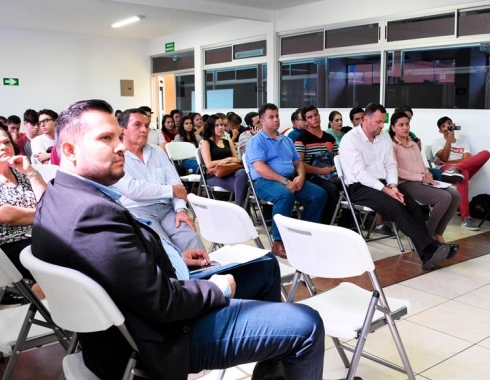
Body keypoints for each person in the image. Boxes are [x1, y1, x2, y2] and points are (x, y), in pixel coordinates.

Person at [31, 99, 325, 380]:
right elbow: (161, 302)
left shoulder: (58, 196)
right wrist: (216, 288)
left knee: (264, 267)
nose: (121, 147)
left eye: (118, 137)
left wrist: (173, 257)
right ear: (69, 150)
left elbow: (120, 267)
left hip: (146, 308)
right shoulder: (91, 213)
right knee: (307, 323)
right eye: (106, 139)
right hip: (161, 335)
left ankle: (271, 373)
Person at [339, 103, 458, 270]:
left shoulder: (383, 137)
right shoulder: (351, 139)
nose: (382, 126)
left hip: (383, 183)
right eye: (378, 122)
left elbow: (390, 165)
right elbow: (360, 173)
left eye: (383, 122)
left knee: (413, 206)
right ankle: (431, 247)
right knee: (396, 206)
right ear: (366, 120)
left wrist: (393, 186)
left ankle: (428, 253)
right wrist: (388, 191)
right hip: (359, 187)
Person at [113, 109, 205, 252]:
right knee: (164, 248)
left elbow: (177, 186)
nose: (144, 130)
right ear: (122, 129)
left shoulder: (157, 151)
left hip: (167, 209)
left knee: (191, 238)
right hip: (137, 210)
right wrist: (171, 190)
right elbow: (133, 190)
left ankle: (205, 274)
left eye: (146, 125)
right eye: (137, 125)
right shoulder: (116, 155)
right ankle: (177, 274)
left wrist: (181, 209)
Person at [245, 103, 327, 258]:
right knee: (285, 195)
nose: (276, 120)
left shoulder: (286, 140)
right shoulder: (256, 141)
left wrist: (301, 176)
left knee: (319, 194)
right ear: (262, 121)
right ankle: (278, 242)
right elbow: (261, 168)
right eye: (271, 117)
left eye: (277, 116)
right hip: (264, 182)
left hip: (288, 179)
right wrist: (284, 181)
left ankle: (303, 234)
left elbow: (298, 163)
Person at [0, 118, 47, 297]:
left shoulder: (20, 172)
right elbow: (5, 214)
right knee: (68, 255)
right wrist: (45, 215)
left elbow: (47, 200)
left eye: (6, 142)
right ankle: (38, 294)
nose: (3, 147)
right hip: (6, 246)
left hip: (37, 237)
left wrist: (30, 172)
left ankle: (41, 293)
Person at [389, 112, 460, 244]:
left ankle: (438, 232)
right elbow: (395, 170)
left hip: (421, 180)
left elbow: (421, 163)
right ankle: (428, 235)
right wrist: (420, 177)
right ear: (393, 128)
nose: (405, 127)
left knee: (455, 195)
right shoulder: (392, 145)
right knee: (444, 198)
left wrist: (427, 173)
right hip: (405, 183)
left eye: (407, 124)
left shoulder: (413, 144)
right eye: (401, 125)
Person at [431, 116, 490, 231]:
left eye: (448, 124)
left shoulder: (463, 142)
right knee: (463, 174)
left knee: (485, 153)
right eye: (443, 126)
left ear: (453, 125)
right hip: (445, 173)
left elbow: (467, 160)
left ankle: (457, 169)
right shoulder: (437, 142)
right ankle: (466, 217)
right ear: (440, 130)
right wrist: (449, 138)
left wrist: (454, 164)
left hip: (460, 169)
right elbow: (444, 157)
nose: (447, 127)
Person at [295, 106, 340, 224]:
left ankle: (347, 223)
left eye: (316, 115)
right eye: (310, 117)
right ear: (305, 122)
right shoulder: (302, 139)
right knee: (332, 190)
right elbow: (299, 163)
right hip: (312, 176)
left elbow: (336, 158)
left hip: (331, 174)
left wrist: (336, 166)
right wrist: (320, 171)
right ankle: (324, 225)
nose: (314, 118)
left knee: (351, 185)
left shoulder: (329, 138)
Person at [200, 114, 248, 207]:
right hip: (214, 175)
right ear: (210, 128)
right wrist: (226, 159)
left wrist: (228, 160)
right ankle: (241, 211)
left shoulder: (227, 141)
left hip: (229, 171)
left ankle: (240, 210)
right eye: (217, 125)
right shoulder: (206, 143)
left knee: (242, 173)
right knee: (243, 186)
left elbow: (236, 159)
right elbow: (209, 164)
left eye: (222, 125)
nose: (220, 128)